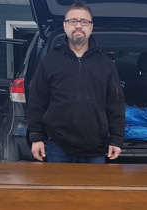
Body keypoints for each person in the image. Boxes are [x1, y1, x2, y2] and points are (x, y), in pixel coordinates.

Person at [26, 1, 125, 163]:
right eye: (73, 21)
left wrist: (116, 139)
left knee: (93, 189)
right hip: (58, 146)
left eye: (84, 21)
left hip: (95, 147)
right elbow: (37, 101)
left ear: (91, 27)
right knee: (57, 189)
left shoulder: (106, 64)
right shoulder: (50, 61)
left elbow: (116, 105)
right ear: (65, 26)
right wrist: (36, 137)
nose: (78, 25)